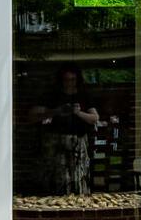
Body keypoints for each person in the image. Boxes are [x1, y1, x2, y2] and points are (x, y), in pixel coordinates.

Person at [34, 66, 100, 195]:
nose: (69, 83)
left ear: (77, 80)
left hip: (78, 143)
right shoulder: (52, 96)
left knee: (78, 176)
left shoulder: (83, 95)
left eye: (73, 79)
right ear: (61, 80)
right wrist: (57, 111)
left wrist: (78, 112)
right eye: (66, 80)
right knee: (58, 177)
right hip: (55, 143)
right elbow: (33, 116)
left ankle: (79, 201)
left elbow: (94, 118)